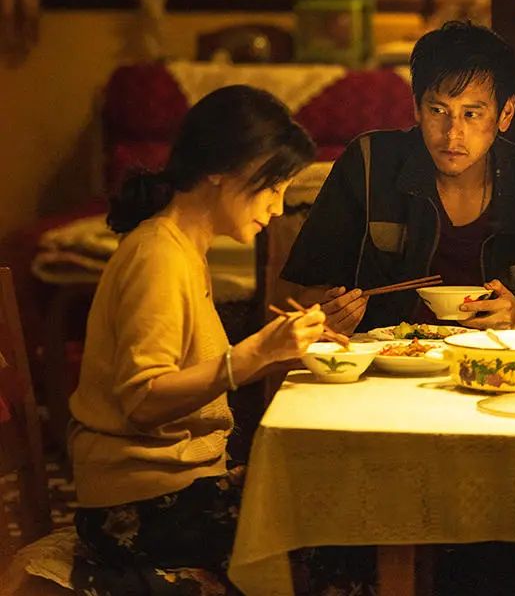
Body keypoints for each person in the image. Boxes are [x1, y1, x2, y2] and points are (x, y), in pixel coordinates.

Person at [68, 85, 328, 596]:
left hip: (176, 487)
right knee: (330, 534)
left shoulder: (184, 250)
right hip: (137, 505)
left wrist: (282, 351)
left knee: (324, 492)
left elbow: (200, 374)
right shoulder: (158, 257)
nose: (278, 209)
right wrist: (255, 353)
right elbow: (144, 400)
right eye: (272, 188)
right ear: (223, 170)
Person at [281, 21, 515, 335]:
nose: (452, 134)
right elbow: (303, 294)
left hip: (503, 361)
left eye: (471, 114)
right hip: (385, 356)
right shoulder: (371, 163)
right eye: (438, 111)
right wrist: (326, 317)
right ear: (416, 107)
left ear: (505, 114)